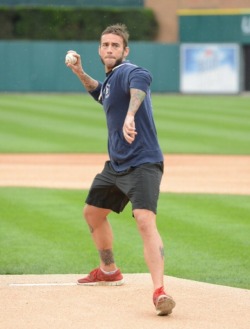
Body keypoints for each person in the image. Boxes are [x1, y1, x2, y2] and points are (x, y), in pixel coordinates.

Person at [65, 23, 175, 316]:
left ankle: (160, 292)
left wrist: (130, 115)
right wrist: (79, 71)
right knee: (92, 213)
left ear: (125, 51)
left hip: (143, 163)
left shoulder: (130, 71)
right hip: (116, 165)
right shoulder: (111, 80)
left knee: (144, 219)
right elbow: (100, 94)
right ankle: (109, 270)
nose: (110, 49)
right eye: (105, 45)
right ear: (100, 50)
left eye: (115, 45)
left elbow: (142, 82)